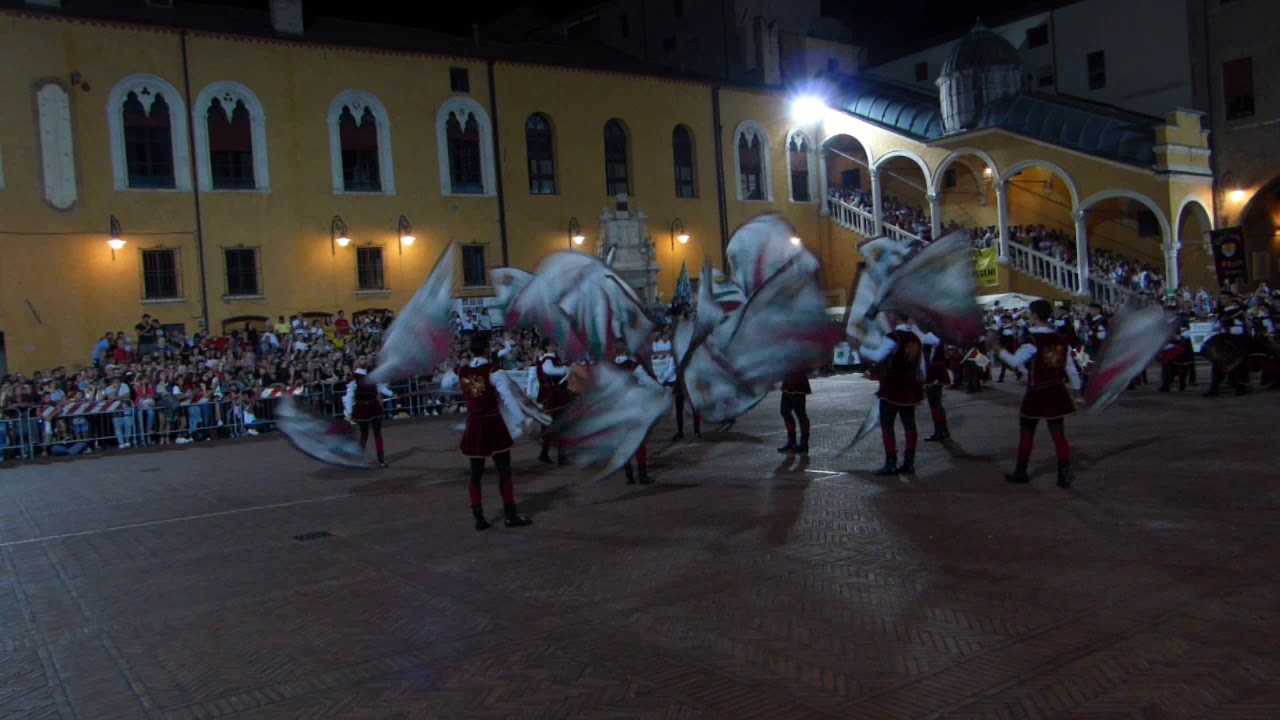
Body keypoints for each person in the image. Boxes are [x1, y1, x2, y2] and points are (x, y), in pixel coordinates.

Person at [992, 299, 1081, 489]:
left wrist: (998, 349)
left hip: (1037, 392)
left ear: (1033, 316)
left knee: (1027, 432)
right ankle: (1063, 473)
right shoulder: (1060, 340)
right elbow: (1071, 368)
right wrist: (1077, 390)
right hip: (1056, 390)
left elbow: (1015, 362)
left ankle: (1021, 471)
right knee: (1058, 435)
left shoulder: (1032, 341)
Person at [457, 332, 532, 531]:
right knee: (504, 470)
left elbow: (447, 382)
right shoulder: (493, 371)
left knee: (476, 473)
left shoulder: (462, 372)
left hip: (474, 423)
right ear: (486, 349)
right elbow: (507, 397)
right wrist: (520, 420)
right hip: (492, 422)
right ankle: (510, 514)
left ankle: (478, 517)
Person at [859, 313, 925, 475]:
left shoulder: (893, 337)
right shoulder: (916, 338)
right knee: (909, 424)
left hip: (893, 386)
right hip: (910, 386)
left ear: (894, 319)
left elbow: (879, 356)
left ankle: (891, 462)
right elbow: (921, 366)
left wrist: (862, 349)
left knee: (887, 424)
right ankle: (909, 463)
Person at [613, 338, 660, 483]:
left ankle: (629, 476)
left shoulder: (610, 366)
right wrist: (662, 389)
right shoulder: (633, 365)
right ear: (626, 349)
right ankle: (642, 475)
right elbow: (647, 381)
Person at [343, 366, 393, 467]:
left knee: (377, 434)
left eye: (364, 359)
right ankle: (360, 458)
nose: (364, 361)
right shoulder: (354, 377)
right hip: (362, 408)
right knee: (364, 435)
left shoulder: (372, 375)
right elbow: (349, 395)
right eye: (362, 359)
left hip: (374, 407)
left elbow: (380, 387)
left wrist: (391, 393)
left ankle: (381, 460)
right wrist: (348, 412)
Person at [535, 338, 571, 464]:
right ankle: (560, 456)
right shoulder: (548, 360)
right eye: (553, 344)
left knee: (553, 425)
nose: (556, 345)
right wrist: (565, 370)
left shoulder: (549, 359)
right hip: (555, 396)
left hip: (553, 395)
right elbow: (549, 371)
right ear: (547, 347)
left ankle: (547, 453)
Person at [918, 325, 950, 442]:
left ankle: (940, 431)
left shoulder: (929, 337)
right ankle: (943, 429)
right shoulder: (934, 335)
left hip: (933, 373)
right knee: (937, 404)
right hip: (936, 371)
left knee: (934, 404)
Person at [776, 368, 811, 454]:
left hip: (798, 383)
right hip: (788, 381)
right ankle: (791, 441)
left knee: (801, 414)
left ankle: (804, 443)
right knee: (784, 412)